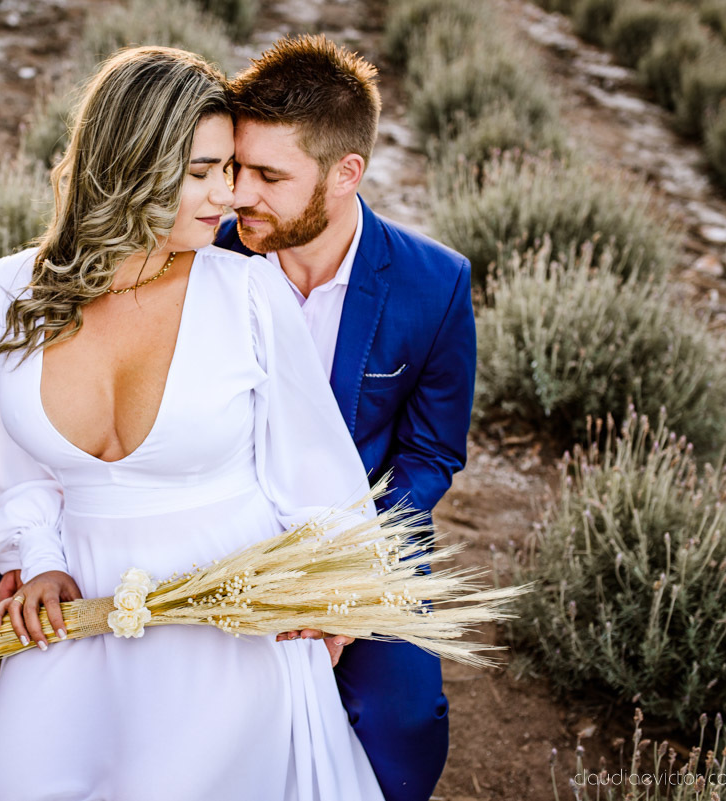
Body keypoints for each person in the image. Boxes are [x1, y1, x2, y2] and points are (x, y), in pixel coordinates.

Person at [0, 46, 384, 800]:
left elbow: (317, 472)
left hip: (231, 617)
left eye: (232, 168)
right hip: (77, 610)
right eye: (202, 171)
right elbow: (17, 473)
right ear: (129, 165)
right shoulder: (9, 292)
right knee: (11, 783)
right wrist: (38, 559)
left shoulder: (249, 292)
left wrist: (332, 591)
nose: (228, 194)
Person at [214, 35, 477, 801]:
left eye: (269, 176)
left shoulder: (435, 284)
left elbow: (430, 455)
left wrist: (352, 578)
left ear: (345, 173)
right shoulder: (204, 260)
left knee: (404, 722)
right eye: (235, 168)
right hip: (221, 524)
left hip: (364, 535)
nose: (238, 195)